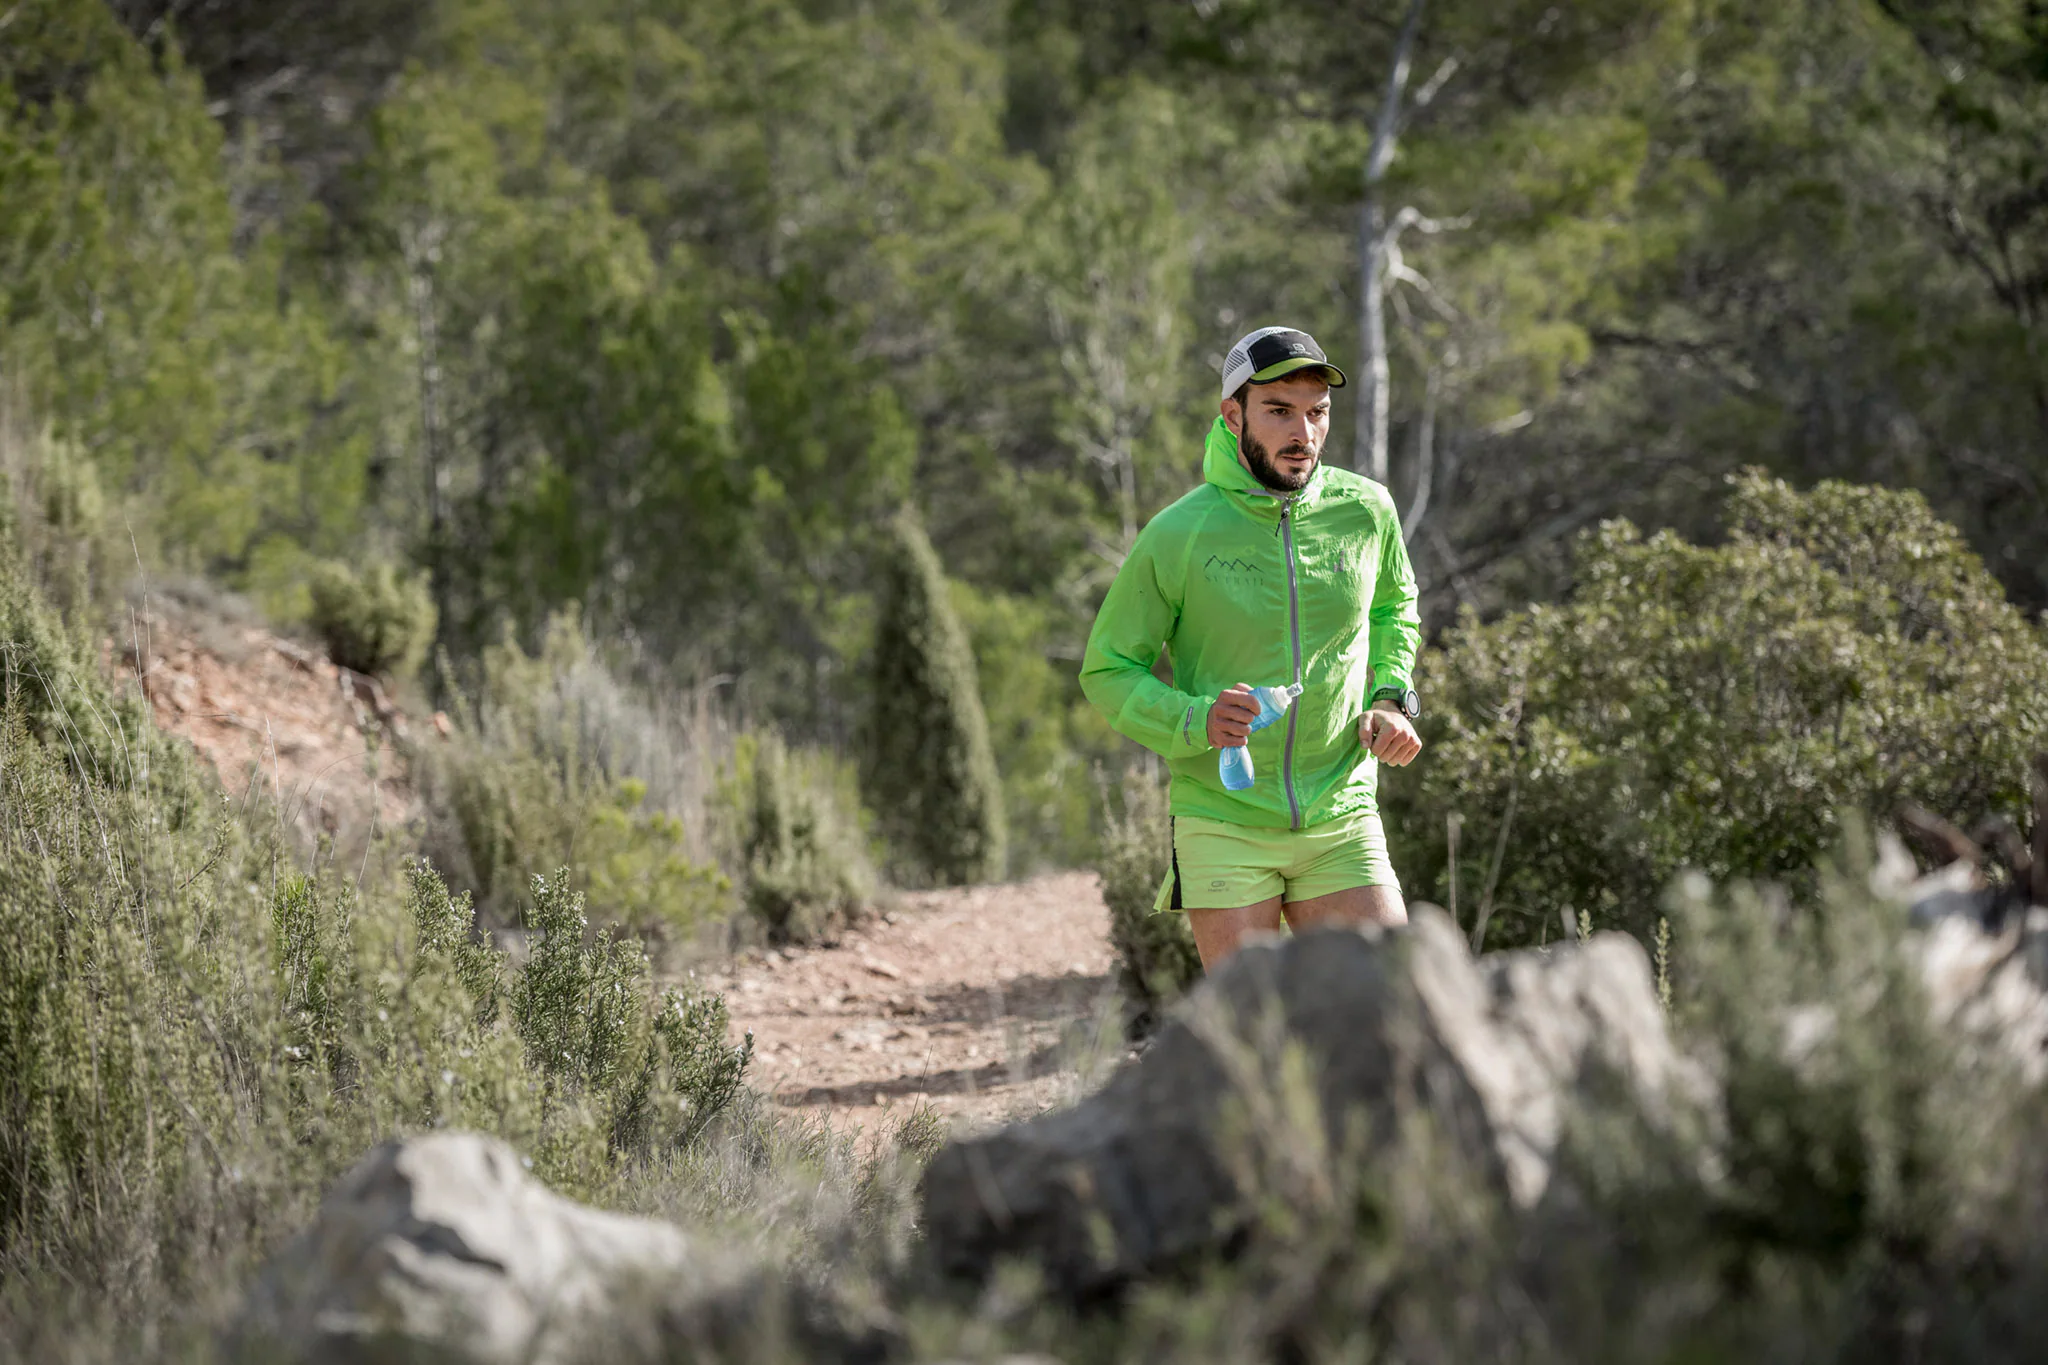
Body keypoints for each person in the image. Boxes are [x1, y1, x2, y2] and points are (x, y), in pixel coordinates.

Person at [1079, 325, 1424, 969]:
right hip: (1223, 816)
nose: (1304, 433)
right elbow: (1109, 668)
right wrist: (1195, 719)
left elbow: (1393, 606)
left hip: (1341, 806)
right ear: (1232, 413)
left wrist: (1391, 695)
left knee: (1396, 1005)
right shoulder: (1178, 532)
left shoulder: (1366, 510)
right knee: (1255, 1037)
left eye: (1317, 412)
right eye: (1279, 411)